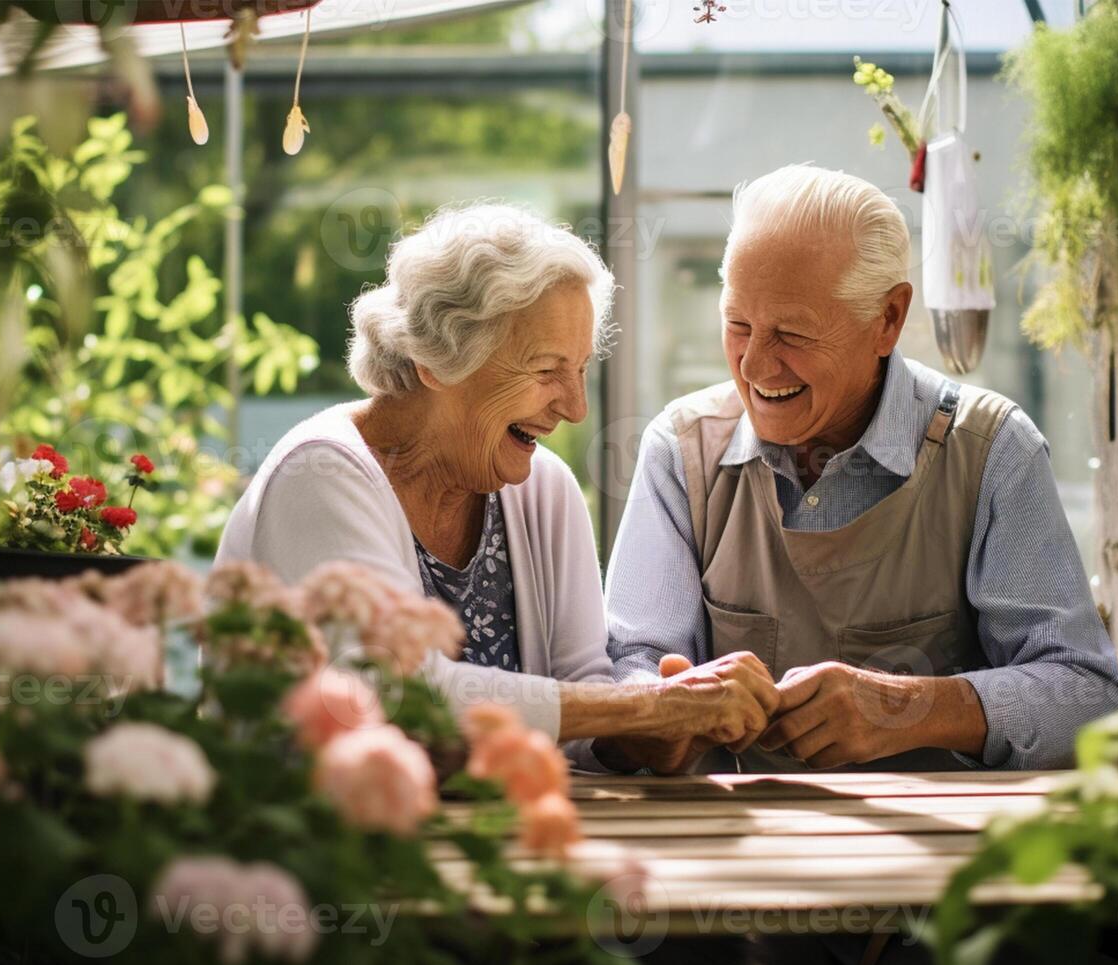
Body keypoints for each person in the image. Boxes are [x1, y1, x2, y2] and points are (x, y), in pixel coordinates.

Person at [605, 164, 1118, 774]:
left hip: (946, 853)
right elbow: (630, 667)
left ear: (888, 320)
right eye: (738, 325)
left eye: (792, 334)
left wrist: (909, 707)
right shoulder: (680, 450)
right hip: (733, 846)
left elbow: (1088, 698)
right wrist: (651, 717)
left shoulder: (992, 450)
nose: (754, 366)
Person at [217, 203, 776, 769]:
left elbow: (583, 700)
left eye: (581, 369)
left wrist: (655, 728)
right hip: (319, 845)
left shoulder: (543, 490)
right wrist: (640, 710)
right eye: (545, 370)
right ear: (437, 358)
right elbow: (387, 694)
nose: (576, 408)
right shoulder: (322, 474)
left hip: (491, 839)